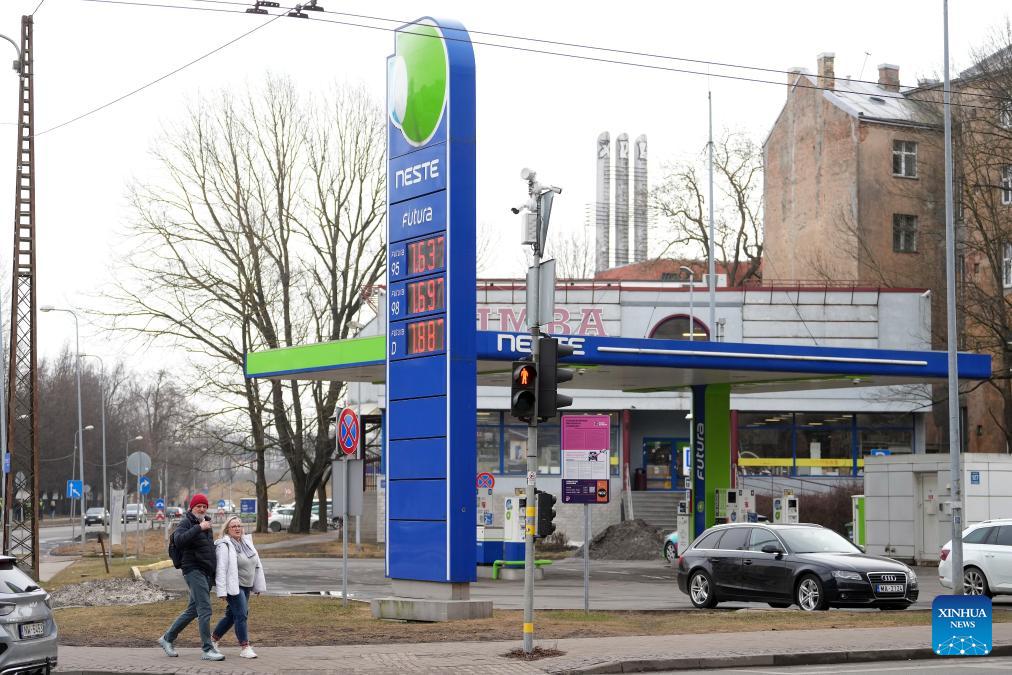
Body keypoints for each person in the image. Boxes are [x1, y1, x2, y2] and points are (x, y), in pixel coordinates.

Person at [158, 494, 224, 661]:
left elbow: (208, 550)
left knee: (193, 610)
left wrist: (214, 573)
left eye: (204, 506)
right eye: (198, 506)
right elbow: (179, 540)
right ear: (192, 508)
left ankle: (167, 638)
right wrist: (198, 528)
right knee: (205, 609)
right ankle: (207, 649)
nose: (201, 509)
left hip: (205, 572)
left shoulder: (207, 523)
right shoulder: (186, 522)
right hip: (193, 570)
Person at [211, 516, 267, 658]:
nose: (237, 528)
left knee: (231, 616)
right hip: (234, 586)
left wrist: (257, 585)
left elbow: (256, 564)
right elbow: (221, 569)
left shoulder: (246, 542)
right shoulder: (224, 545)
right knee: (242, 614)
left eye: (239, 526)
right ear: (227, 530)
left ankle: (213, 640)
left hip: (247, 585)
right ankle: (245, 647)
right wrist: (222, 591)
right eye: (234, 526)